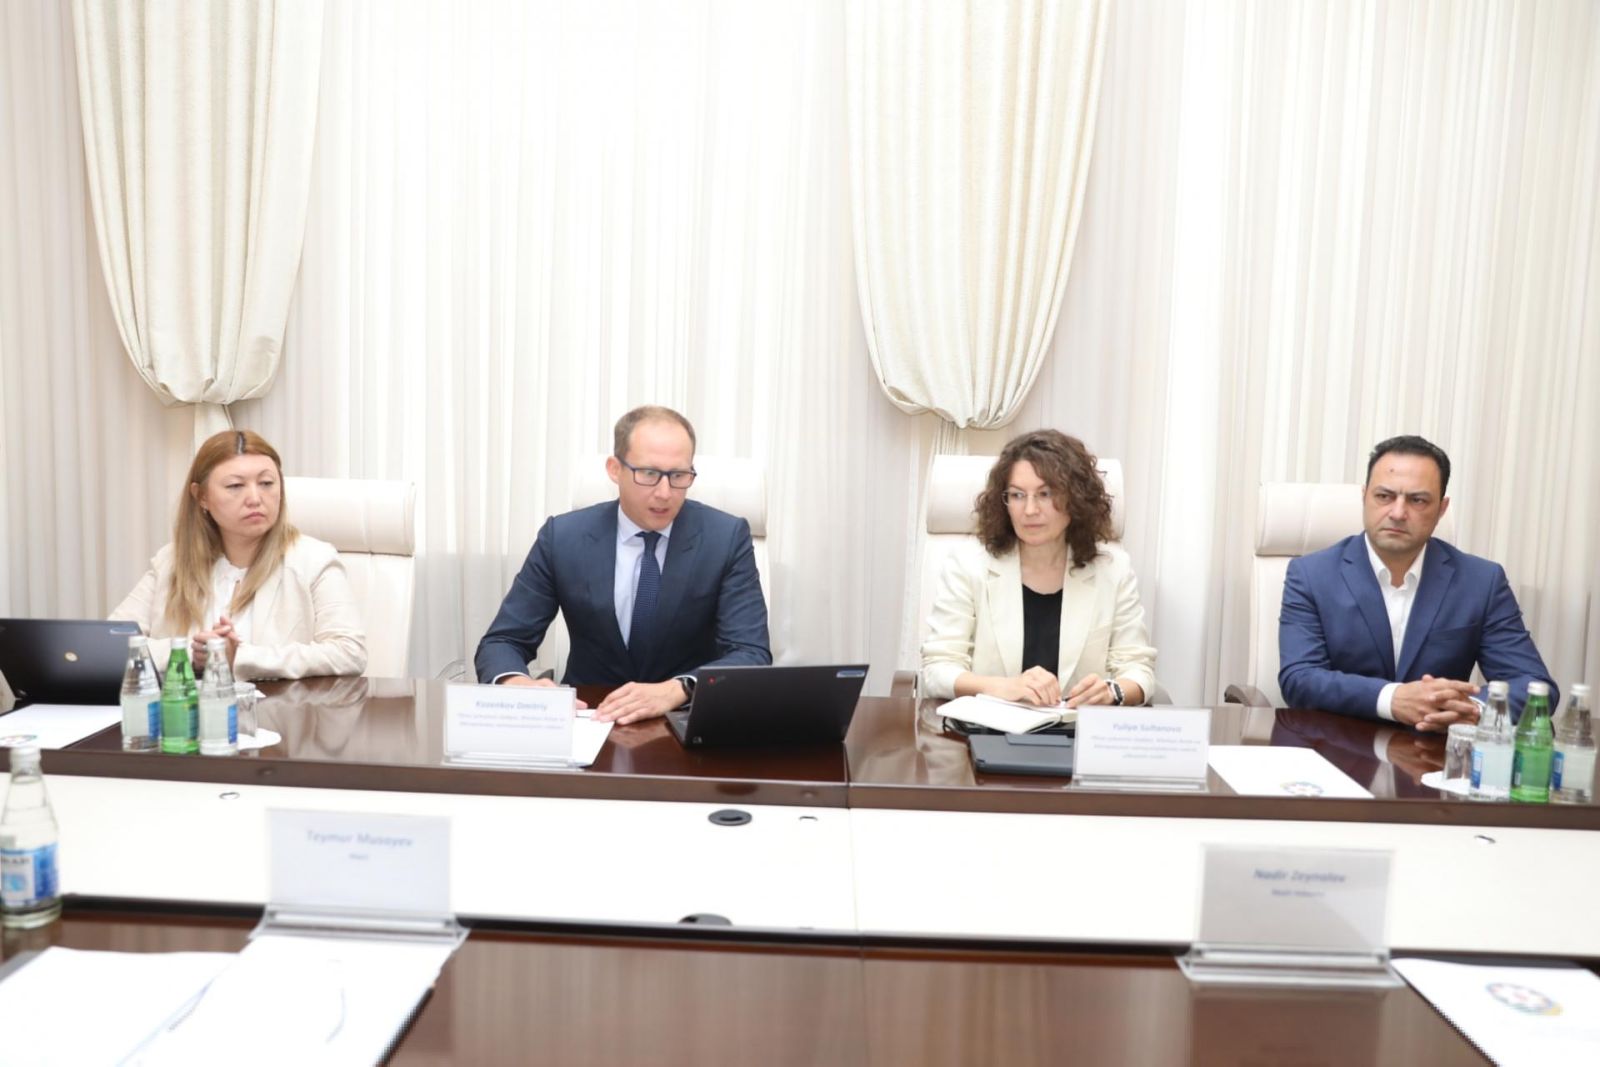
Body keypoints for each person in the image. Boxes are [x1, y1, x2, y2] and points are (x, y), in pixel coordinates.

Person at [475, 405, 771, 724]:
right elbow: (503, 641)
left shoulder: (725, 538)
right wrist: (517, 684)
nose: (664, 493)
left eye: (678, 476)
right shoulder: (563, 537)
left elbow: (751, 653)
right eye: (649, 474)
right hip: (591, 715)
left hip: (684, 718)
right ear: (615, 469)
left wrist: (680, 688)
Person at [1278, 434, 1556, 729]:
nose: (1398, 513)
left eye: (1418, 500)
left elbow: (1535, 687)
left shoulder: (1481, 581)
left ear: (1441, 509)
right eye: (1384, 496)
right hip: (1340, 744)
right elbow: (1299, 678)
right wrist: (1391, 699)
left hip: (1434, 749)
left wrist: (1471, 709)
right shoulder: (1311, 574)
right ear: (1364, 497)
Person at [920, 430, 1157, 708]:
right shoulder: (968, 565)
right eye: (1017, 495)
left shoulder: (1113, 569)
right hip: (990, 727)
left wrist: (1112, 691)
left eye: (1045, 494)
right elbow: (938, 669)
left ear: (1076, 498)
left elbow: (1138, 668)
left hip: (1077, 728)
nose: (1030, 510)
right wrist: (1001, 687)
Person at [111, 430, 367, 680]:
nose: (255, 498)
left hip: (277, 707)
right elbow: (111, 643)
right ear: (201, 497)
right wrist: (189, 654)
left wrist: (241, 658)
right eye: (235, 486)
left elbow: (349, 652)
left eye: (266, 483)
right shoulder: (172, 562)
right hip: (186, 707)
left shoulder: (314, 560)